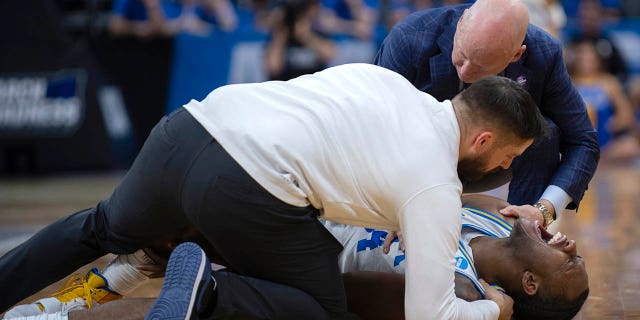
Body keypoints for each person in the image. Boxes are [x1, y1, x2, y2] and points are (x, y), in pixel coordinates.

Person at [0, 64, 548, 319]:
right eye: (511, 155)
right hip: (242, 188)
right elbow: (432, 316)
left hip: (187, 130)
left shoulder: (386, 83)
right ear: (482, 138)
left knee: (98, 226)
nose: (505, 167)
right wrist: (495, 311)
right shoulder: (433, 181)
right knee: (324, 307)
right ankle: (208, 292)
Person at [4, 195, 589, 320]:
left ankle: (54, 309)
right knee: (155, 241)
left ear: (532, 284)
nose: (571, 245)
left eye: (571, 261)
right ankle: (55, 307)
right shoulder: (496, 219)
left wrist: (490, 306)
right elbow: (441, 186)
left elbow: (346, 298)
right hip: (313, 198)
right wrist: (519, 209)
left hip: (293, 246)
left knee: (161, 246)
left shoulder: (459, 290)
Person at [374, 0, 600, 228]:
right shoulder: (410, 37)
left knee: (546, 131)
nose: (466, 71)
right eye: (462, 55)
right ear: (461, 23)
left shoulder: (543, 52)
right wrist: (401, 211)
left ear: (516, 55)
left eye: (482, 66)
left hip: (496, 167)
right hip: (416, 160)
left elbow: (583, 141)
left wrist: (545, 210)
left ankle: (525, 234)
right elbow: (379, 131)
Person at [566, 40, 640, 160]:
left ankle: (598, 160)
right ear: (575, 60)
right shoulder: (568, 82)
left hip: (605, 143)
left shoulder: (608, 82)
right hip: (576, 141)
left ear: (597, 60)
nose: (586, 61)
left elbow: (627, 115)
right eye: (582, 57)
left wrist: (610, 124)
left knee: (631, 147)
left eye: (590, 57)